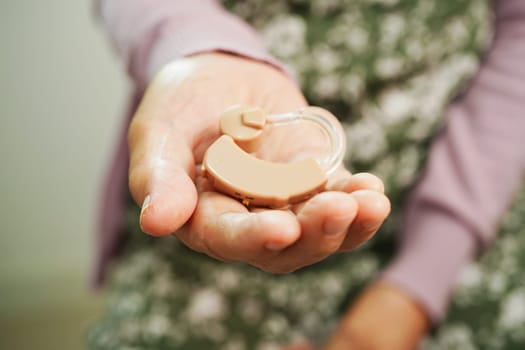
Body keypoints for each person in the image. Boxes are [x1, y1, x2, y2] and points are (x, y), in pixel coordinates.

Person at [90, 0, 525, 349]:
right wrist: (198, 52)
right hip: (202, 245)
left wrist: (415, 288)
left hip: (460, 211)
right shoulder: (223, 150)